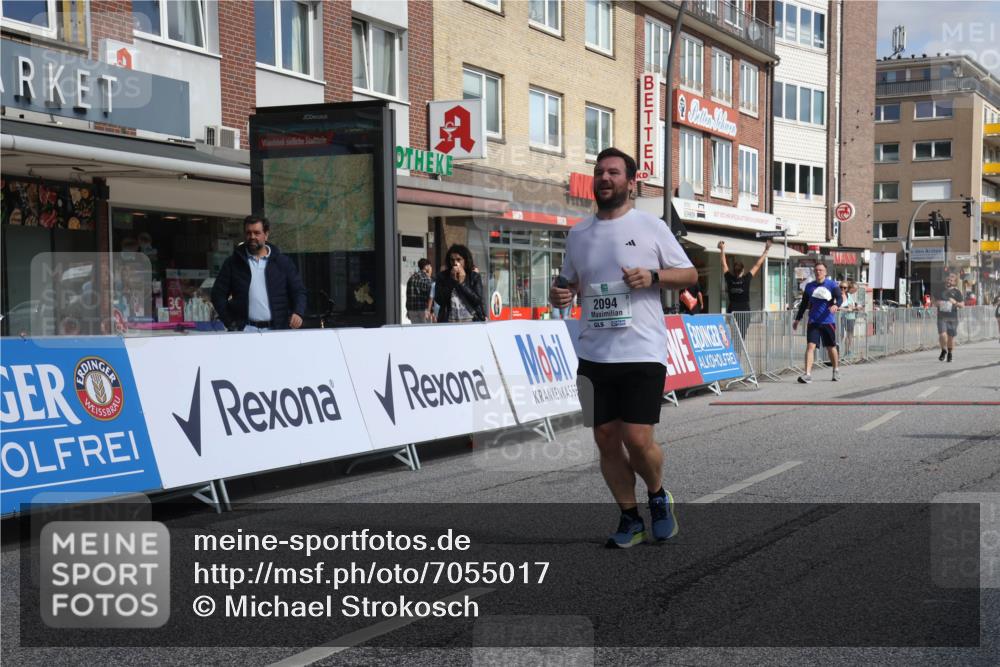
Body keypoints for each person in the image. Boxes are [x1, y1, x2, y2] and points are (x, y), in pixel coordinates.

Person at [549, 147, 697, 548]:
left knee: (637, 439)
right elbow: (567, 283)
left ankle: (657, 495)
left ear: (630, 183)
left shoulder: (651, 227)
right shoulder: (579, 233)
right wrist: (560, 294)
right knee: (605, 439)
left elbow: (689, 273)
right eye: (599, 172)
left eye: (613, 172)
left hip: (642, 349)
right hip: (594, 352)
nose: (604, 178)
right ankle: (630, 518)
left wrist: (651, 276)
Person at [211, 214, 306, 332]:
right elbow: (217, 295)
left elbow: (298, 291)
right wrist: (231, 322)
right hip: (245, 330)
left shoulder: (282, 262)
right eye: (248, 233)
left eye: (257, 233)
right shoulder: (233, 263)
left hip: (277, 330)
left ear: (266, 235)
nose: (252, 237)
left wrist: (298, 312)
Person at [793, 261, 842, 383]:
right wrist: (797, 319)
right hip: (813, 321)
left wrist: (836, 305)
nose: (818, 272)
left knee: (831, 347)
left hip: (827, 321)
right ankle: (807, 374)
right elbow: (804, 304)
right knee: (810, 346)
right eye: (816, 270)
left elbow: (840, 297)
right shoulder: (809, 286)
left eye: (820, 270)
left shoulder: (831, 285)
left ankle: (836, 370)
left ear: (825, 272)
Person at [719, 239, 770, 336]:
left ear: (734, 271)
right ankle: (739, 350)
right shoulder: (746, 279)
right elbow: (757, 265)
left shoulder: (729, 278)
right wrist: (766, 250)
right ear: (743, 270)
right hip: (744, 311)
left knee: (734, 334)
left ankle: (736, 349)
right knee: (741, 334)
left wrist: (722, 249)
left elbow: (723, 264)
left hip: (732, 310)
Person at [434, 244, 486, 323]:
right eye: (452, 260)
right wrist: (452, 281)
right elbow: (439, 300)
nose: (455, 263)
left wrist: (463, 283)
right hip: (449, 322)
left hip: (471, 322)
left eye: (459, 259)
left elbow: (478, 300)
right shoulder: (442, 276)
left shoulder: (474, 276)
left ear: (465, 260)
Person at [935, 271, 964, 362]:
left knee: (950, 337)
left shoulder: (957, 292)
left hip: (952, 317)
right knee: (942, 335)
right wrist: (937, 303)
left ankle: (950, 353)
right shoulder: (940, 290)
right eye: (948, 279)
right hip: (941, 317)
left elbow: (962, 305)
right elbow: (933, 301)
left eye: (951, 280)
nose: (949, 281)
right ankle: (943, 350)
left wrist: (955, 302)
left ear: (954, 282)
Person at [405, 258, 434, 323]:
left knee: (416, 331)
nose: (430, 268)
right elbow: (430, 296)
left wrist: (408, 310)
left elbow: (408, 295)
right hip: (424, 310)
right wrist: (431, 310)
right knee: (426, 331)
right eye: (430, 266)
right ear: (426, 266)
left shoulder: (411, 278)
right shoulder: (427, 279)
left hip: (412, 310)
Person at [840, 280, 860, 359]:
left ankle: (847, 351)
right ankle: (841, 352)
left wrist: (856, 306)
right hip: (844, 317)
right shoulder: (843, 295)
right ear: (850, 288)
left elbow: (851, 305)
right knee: (842, 335)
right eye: (854, 289)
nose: (855, 291)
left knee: (849, 336)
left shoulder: (849, 295)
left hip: (851, 317)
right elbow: (841, 306)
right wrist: (850, 308)